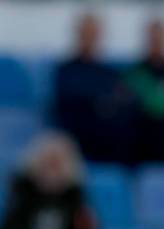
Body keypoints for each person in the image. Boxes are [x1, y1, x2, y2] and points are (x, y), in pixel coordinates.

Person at [51, 13, 137, 165]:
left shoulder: (109, 73)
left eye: (93, 34)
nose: (90, 39)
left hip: (108, 140)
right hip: (78, 138)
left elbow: (121, 103)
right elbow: (68, 106)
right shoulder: (65, 71)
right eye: (86, 34)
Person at [125, 18, 164, 162]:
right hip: (143, 143)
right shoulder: (134, 73)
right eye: (152, 38)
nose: (156, 42)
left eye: (159, 38)